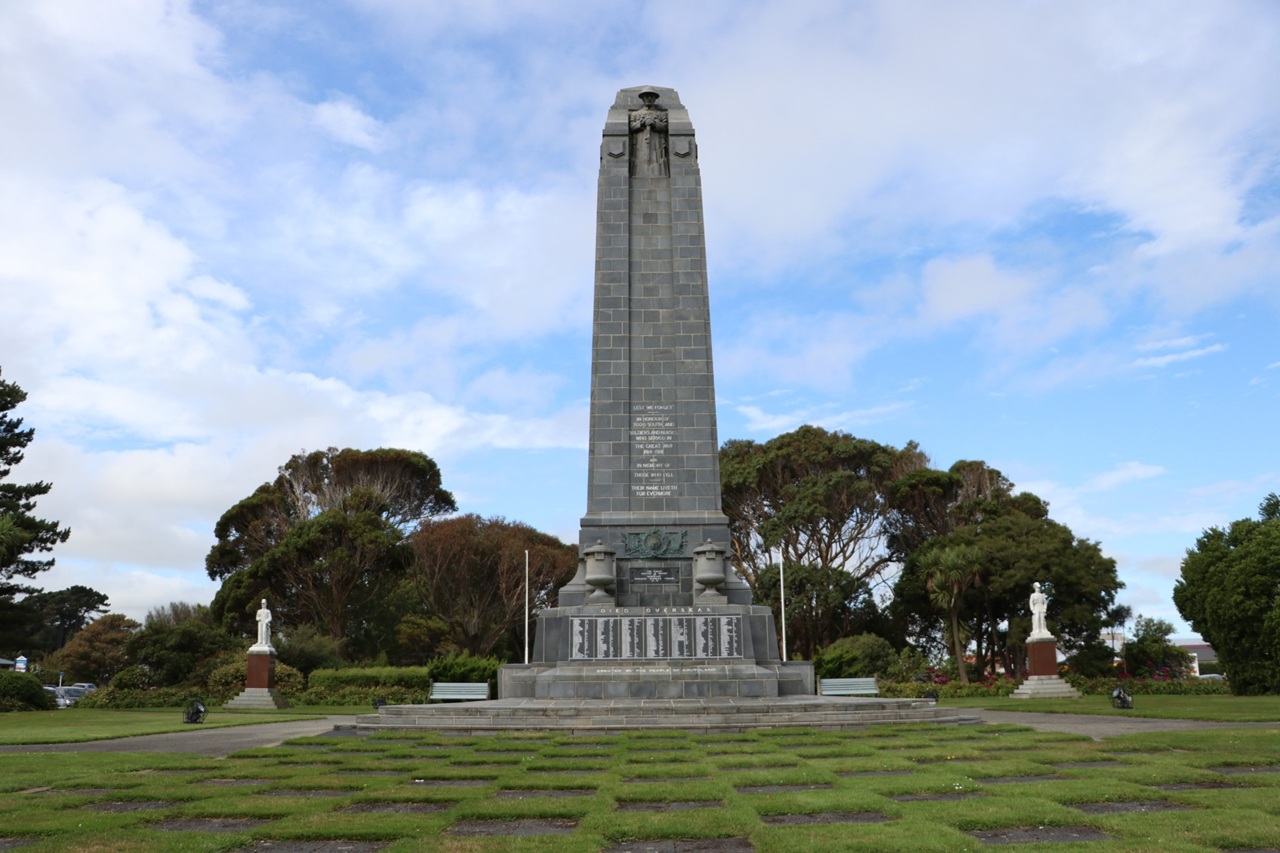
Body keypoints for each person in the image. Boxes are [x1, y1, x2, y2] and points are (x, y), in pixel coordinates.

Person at [629, 89, 669, 177]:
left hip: (657, 142)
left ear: (655, 99)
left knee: (658, 159)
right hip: (640, 142)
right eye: (647, 96)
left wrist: (654, 123)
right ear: (642, 98)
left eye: (652, 96)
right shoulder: (635, 114)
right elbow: (632, 126)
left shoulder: (661, 114)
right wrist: (641, 123)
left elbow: (665, 126)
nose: (649, 98)